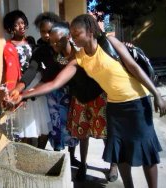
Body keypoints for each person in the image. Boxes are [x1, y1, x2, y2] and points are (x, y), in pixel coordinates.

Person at [12, 14, 166, 188]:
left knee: (146, 151)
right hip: (115, 107)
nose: (73, 38)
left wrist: (157, 95)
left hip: (137, 101)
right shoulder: (79, 58)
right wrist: (23, 94)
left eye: (77, 34)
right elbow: (55, 83)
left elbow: (134, 67)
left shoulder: (110, 43)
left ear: (91, 31)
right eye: (72, 34)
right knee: (120, 153)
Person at [47, 21, 118, 181]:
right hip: (79, 98)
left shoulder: (82, 50)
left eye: (57, 40)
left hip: (98, 95)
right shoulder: (58, 57)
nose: (54, 44)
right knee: (82, 133)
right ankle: (83, 165)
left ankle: (113, 164)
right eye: (52, 41)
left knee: (106, 133)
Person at [9, 12, 80, 164]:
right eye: (43, 31)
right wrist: (19, 88)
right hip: (51, 92)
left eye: (50, 31)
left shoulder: (64, 45)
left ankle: (72, 157)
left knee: (71, 126)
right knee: (55, 127)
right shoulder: (41, 50)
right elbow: (32, 70)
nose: (47, 35)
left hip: (70, 92)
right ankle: (56, 157)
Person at [0, 10, 51, 148]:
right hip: (23, 85)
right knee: (27, 127)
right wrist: (12, 92)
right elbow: (10, 72)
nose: (21, 26)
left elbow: (36, 63)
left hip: (37, 84)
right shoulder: (9, 47)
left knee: (42, 125)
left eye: (22, 23)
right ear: (10, 28)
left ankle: (40, 152)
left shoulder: (31, 41)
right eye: (17, 25)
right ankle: (28, 157)